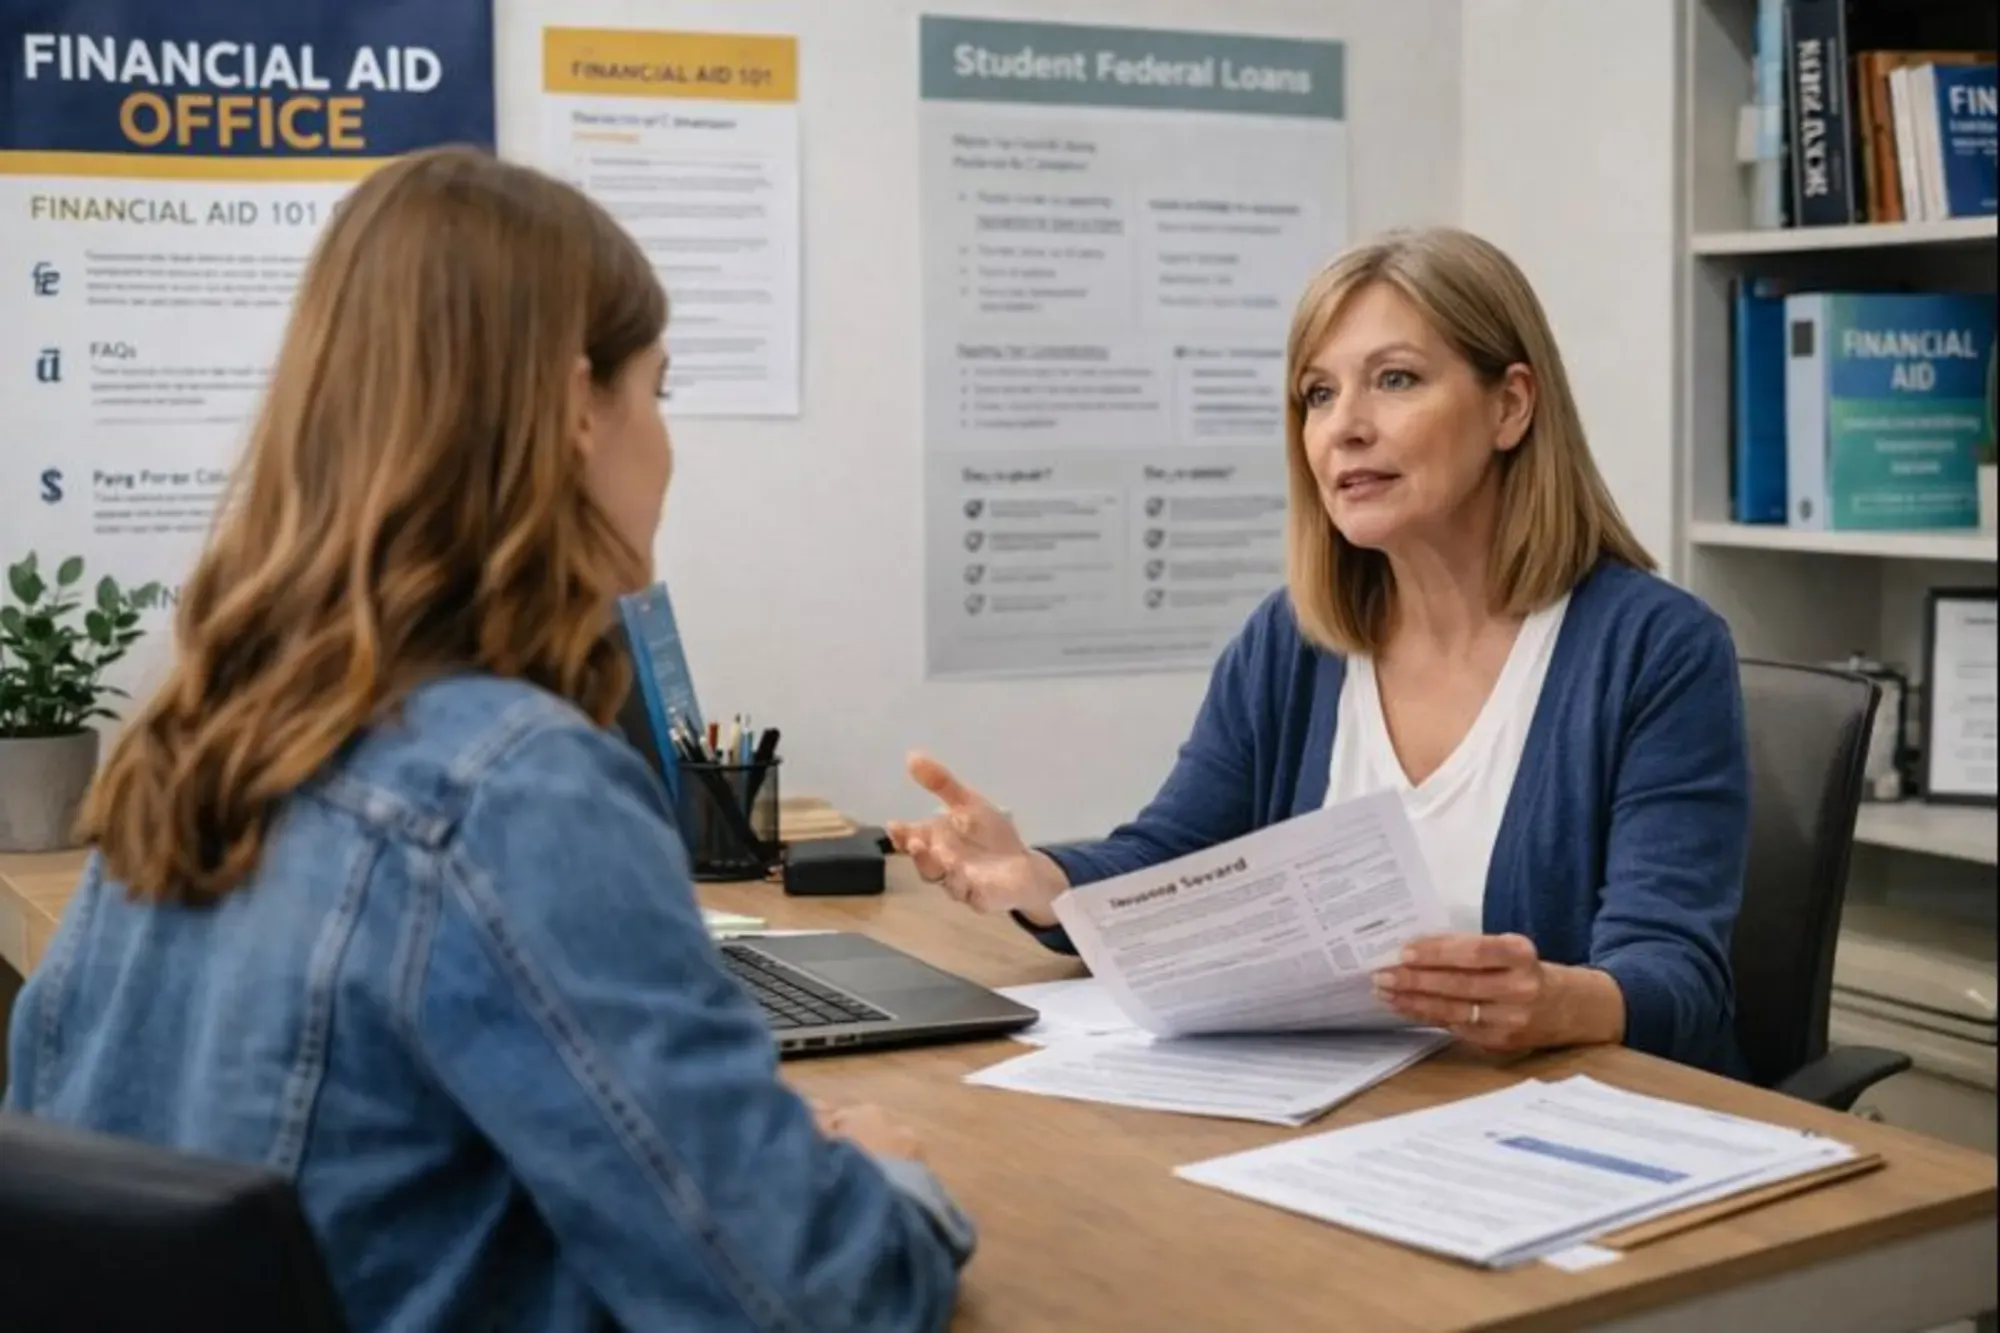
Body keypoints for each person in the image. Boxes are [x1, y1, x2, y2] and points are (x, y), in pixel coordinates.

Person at [4, 148, 969, 1332]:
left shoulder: (195, 744)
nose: (666, 444)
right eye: (657, 391)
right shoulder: (514, 792)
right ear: (574, 410)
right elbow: (815, 1298)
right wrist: (885, 1175)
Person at [888, 226, 1751, 1079]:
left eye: (1395, 380)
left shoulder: (1655, 649)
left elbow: (1677, 978)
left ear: (1510, 405)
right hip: (1337, 1114)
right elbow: (1176, 858)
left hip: (1549, 1131)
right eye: (1318, 394)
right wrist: (1036, 875)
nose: (1346, 427)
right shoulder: (1293, 641)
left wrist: (1556, 1000)